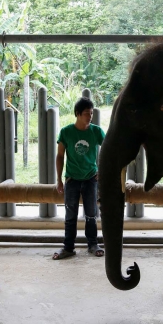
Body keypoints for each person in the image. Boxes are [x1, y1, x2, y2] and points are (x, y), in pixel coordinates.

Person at [52, 97, 105, 259]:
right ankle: (68, 248)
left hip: (90, 178)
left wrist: (101, 171)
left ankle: (93, 244)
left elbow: (109, 150)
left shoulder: (96, 131)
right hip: (72, 179)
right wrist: (59, 179)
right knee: (70, 215)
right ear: (77, 114)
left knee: (91, 214)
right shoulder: (66, 132)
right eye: (87, 114)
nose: (90, 117)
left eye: (91, 114)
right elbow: (60, 156)